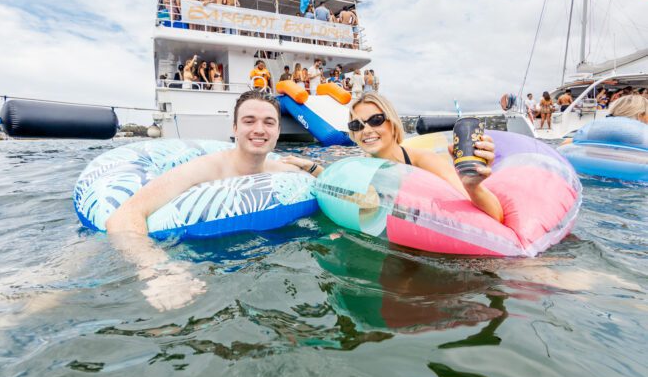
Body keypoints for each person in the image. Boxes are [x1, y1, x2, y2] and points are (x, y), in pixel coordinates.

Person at [106, 91, 310, 311]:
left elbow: (326, 181)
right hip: (195, 258)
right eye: (249, 121)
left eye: (269, 123)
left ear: (278, 131)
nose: (259, 129)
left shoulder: (283, 170)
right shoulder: (204, 169)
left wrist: (312, 167)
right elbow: (125, 215)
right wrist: (158, 270)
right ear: (235, 129)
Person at [285, 93, 503, 222]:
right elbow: (341, 188)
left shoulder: (424, 161)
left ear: (392, 122)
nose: (366, 130)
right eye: (356, 125)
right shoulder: (365, 167)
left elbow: (491, 221)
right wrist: (311, 166)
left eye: (376, 120)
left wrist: (474, 187)